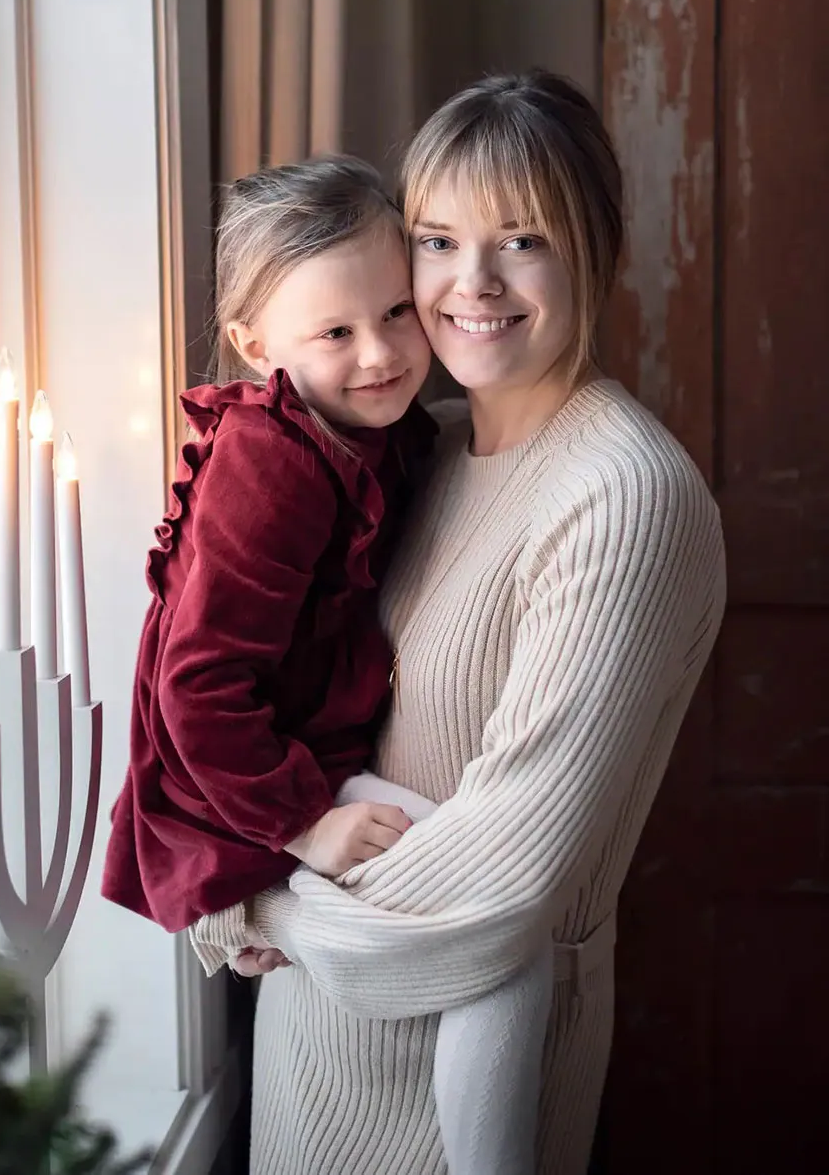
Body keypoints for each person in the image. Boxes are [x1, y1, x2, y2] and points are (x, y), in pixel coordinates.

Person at [190, 73, 727, 1175]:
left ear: (596, 249)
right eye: (436, 240)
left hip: (458, 1085)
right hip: (313, 1045)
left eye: (521, 239)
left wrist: (252, 901)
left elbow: (502, 877)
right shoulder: (409, 449)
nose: (470, 284)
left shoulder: (622, 493)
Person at [102, 155, 554, 1175]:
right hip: (246, 778)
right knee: (502, 941)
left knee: (497, 938)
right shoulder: (271, 465)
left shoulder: (368, 431)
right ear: (255, 344)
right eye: (336, 332)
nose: (383, 353)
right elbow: (197, 687)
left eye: (396, 311)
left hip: (289, 755)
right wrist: (305, 823)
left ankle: (266, 918)